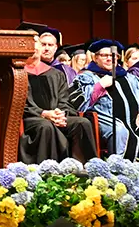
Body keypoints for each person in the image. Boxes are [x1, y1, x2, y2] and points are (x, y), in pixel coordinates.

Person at [70, 39, 139, 158]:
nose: (109, 58)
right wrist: (100, 86)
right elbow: (77, 103)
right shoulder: (86, 77)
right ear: (95, 58)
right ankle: (122, 169)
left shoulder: (129, 77)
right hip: (106, 118)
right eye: (104, 55)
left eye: (113, 55)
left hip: (137, 118)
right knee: (120, 130)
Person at [19, 33, 98, 163]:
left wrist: (60, 115)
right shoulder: (18, 74)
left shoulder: (55, 74)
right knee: (46, 126)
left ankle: (84, 170)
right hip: (31, 118)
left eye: (36, 44)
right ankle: (47, 171)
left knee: (82, 123)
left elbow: (64, 100)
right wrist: (44, 113)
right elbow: (18, 105)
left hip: (54, 117)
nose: (34, 48)